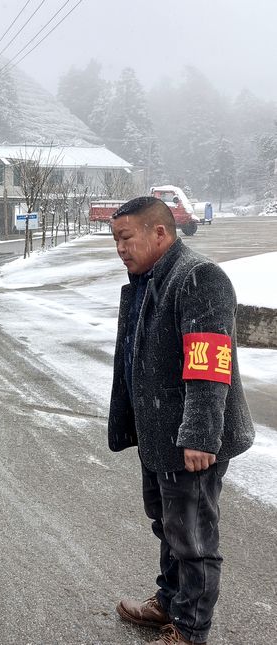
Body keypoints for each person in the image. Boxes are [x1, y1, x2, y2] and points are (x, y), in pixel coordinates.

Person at [108, 196, 255, 645]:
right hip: (160, 434)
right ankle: (169, 602)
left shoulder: (197, 278)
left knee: (193, 540)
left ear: (159, 233)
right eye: (115, 240)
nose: (119, 249)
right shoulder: (149, 279)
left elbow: (209, 367)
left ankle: (190, 630)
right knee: (168, 526)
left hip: (190, 440)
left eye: (125, 238)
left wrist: (199, 435)